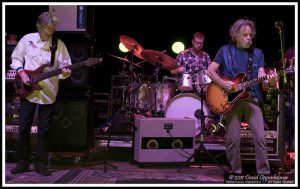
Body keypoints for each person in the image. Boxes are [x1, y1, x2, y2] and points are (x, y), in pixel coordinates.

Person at [207, 18, 278, 175]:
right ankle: (236, 172)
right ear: (236, 35)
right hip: (230, 100)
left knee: (260, 137)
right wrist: (221, 83)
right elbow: (210, 70)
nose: (249, 38)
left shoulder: (258, 53)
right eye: (245, 35)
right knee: (233, 139)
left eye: (250, 35)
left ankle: (264, 173)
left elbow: (261, 75)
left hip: (252, 97)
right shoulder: (224, 51)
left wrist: (269, 80)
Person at [10, 12, 72, 176]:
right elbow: (16, 58)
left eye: (52, 29)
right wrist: (21, 72)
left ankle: (41, 163)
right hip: (27, 89)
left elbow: (66, 67)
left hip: (48, 91)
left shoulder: (58, 45)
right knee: (23, 128)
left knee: (44, 130)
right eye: (47, 29)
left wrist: (65, 72)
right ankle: (22, 162)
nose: (50, 32)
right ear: (39, 27)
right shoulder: (27, 39)